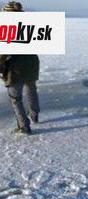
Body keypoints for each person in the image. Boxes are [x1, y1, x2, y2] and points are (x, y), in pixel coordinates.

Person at [0, 1, 40, 135]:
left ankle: (24, 127)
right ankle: (34, 115)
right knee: (31, 89)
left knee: (15, 98)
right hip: (32, 64)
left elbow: (4, 52)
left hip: (16, 68)